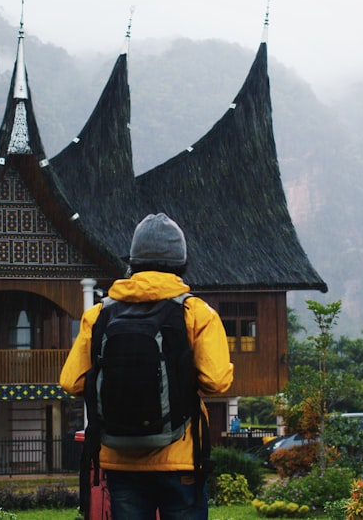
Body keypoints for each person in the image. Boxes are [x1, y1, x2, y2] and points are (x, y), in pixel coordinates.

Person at [61, 213, 234, 520]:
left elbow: (71, 382)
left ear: (133, 262)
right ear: (181, 262)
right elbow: (217, 382)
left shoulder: (99, 313)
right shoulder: (197, 312)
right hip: (181, 458)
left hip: (120, 459)